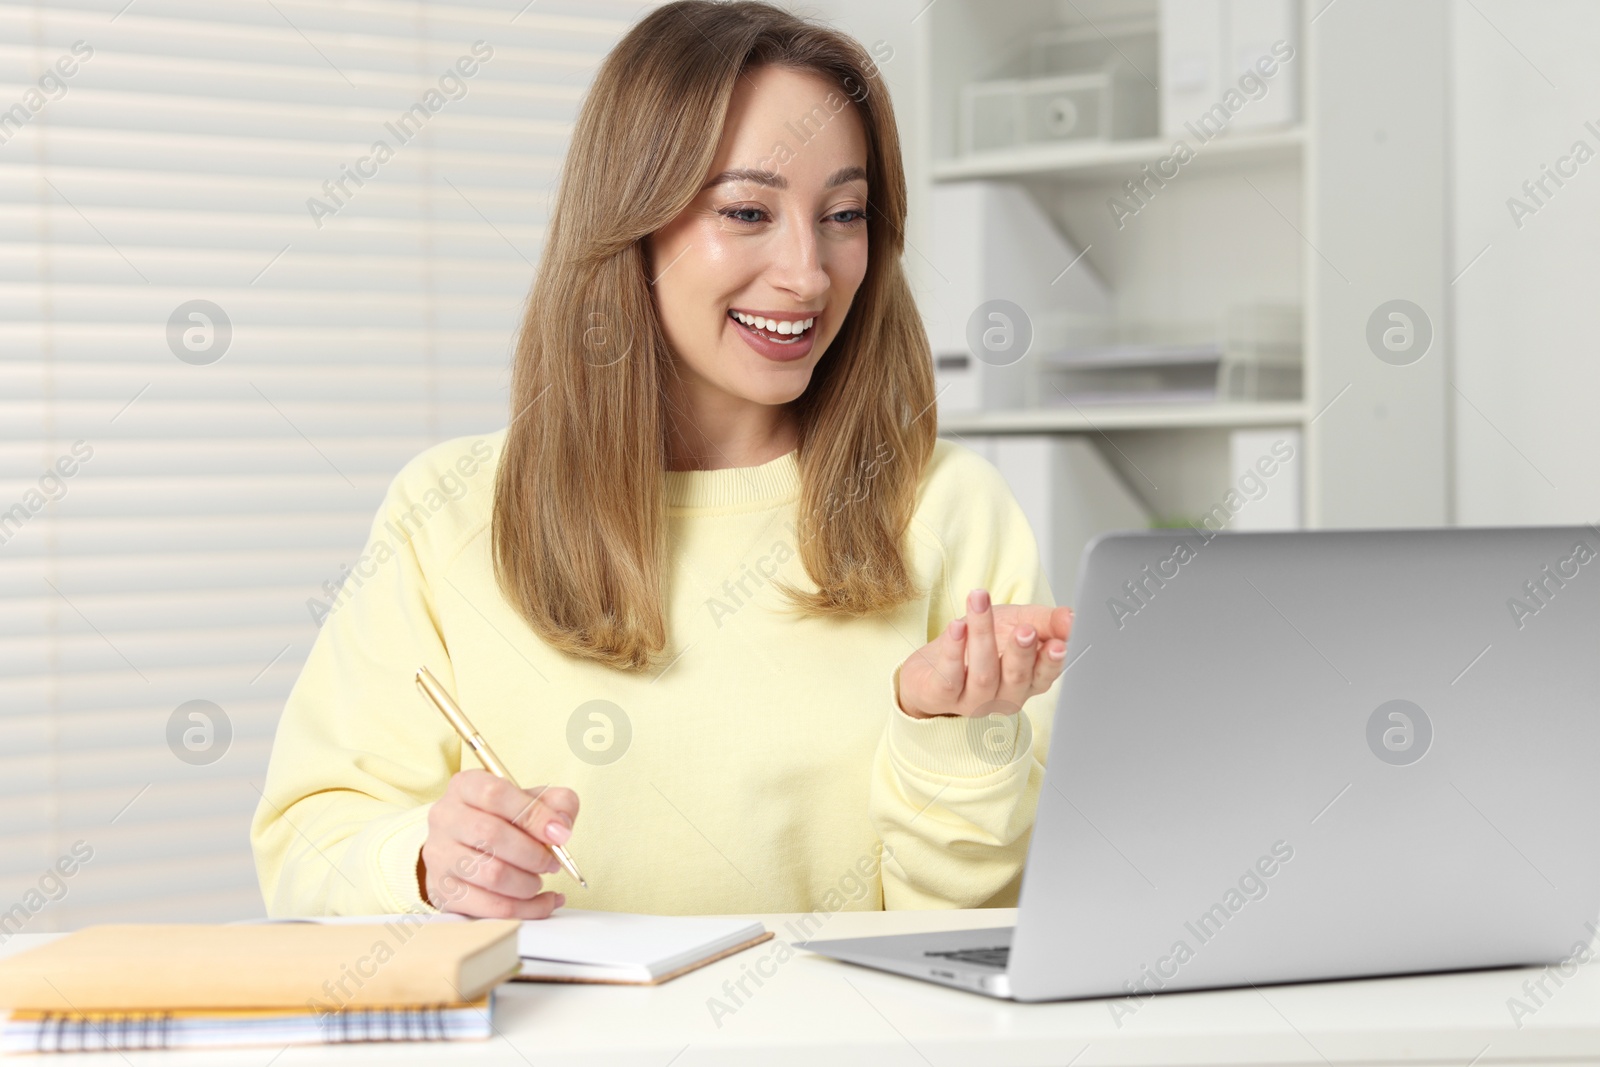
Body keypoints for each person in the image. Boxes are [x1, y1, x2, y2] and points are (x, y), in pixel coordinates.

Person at [250, 0, 1073, 920]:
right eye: (749, 210)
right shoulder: (451, 508)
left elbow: (967, 931)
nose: (808, 271)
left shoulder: (951, 509)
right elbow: (304, 844)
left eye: (844, 214)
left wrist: (950, 737)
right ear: (631, 225)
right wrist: (425, 863)